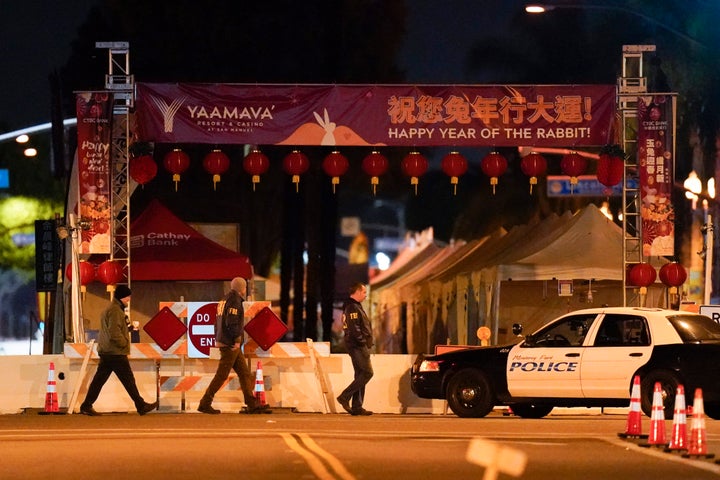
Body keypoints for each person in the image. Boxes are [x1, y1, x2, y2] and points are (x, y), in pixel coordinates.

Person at [80, 285, 158, 416]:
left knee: (99, 380)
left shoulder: (112, 309)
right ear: (122, 297)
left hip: (108, 351)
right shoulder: (116, 311)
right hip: (115, 351)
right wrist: (123, 344)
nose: (129, 299)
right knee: (128, 379)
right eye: (127, 297)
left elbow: (116, 328)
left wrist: (128, 329)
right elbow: (114, 332)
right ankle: (140, 405)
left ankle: (86, 405)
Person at [198, 277, 270, 414]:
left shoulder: (223, 300)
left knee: (244, 373)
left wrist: (217, 338)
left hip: (224, 340)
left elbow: (217, 322)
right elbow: (232, 322)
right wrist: (236, 340)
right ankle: (205, 402)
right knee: (222, 375)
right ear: (242, 288)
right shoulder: (235, 301)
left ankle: (252, 404)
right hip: (230, 344)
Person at [336, 282, 374, 416]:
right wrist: (362, 341)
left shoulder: (352, 305)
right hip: (357, 345)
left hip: (354, 344)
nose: (365, 295)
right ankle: (345, 397)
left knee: (360, 374)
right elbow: (354, 327)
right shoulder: (352, 306)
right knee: (367, 373)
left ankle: (357, 406)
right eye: (364, 292)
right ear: (357, 292)